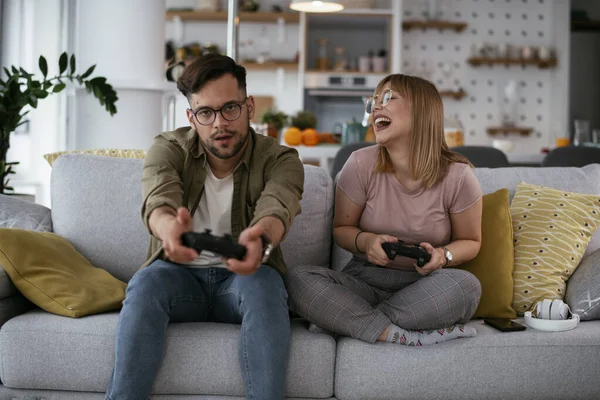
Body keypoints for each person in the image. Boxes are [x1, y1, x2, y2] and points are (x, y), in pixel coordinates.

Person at [105, 54, 304, 400]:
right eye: (205, 113)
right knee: (146, 283)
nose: (219, 124)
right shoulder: (168, 148)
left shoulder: (280, 159)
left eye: (230, 109)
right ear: (191, 117)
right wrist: (169, 230)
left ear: (249, 107)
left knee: (265, 285)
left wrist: (260, 238)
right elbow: (158, 200)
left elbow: (278, 205)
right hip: (178, 279)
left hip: (244, 280)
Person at [286, 74, 483, 346]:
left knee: (467, 287)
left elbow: (471, 242)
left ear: (422, 111)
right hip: (363, 282)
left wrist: (442, 255)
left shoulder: (458, 177)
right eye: (373, 101)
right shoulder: (359, 164)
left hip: (423, 287)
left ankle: (345, 321)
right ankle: (398, 334)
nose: (375, 107)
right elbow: (342, 230)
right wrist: (367, 241)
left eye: (388, 98)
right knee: (297, 279)